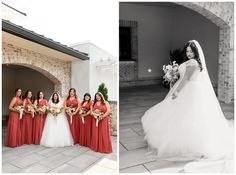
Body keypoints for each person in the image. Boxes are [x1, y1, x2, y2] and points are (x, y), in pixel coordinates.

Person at [142, 40, 233, 162]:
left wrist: (177, 91)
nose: (189, 53)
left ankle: (190, 143)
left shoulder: (193, 63)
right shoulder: (190, 62)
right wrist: (172, 74)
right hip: (189, 87)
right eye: (187, 51)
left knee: (188, 115)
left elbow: (186, 78)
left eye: (191, 51)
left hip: (189, 89)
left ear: (196, 52)